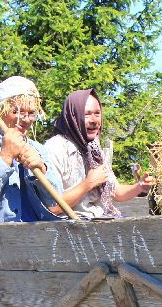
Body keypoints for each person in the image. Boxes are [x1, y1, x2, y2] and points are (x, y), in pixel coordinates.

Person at [0, 76, 65, 224]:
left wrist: (41, 169)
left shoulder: (38, 149)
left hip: (37, 236)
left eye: (31, 113)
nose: (26, 119)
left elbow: (56, 202)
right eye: (17, 112)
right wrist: (5, 157)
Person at [44, 88, 154, 219]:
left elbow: (115, 192)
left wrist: (140, 186)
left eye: (97, 113)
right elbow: (52, 206)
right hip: (68, 231)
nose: (94, 120)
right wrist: (89, 183)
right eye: (87, 114)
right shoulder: (55, 148)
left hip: (100, 226)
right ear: (73, 117)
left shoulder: (94, 149)